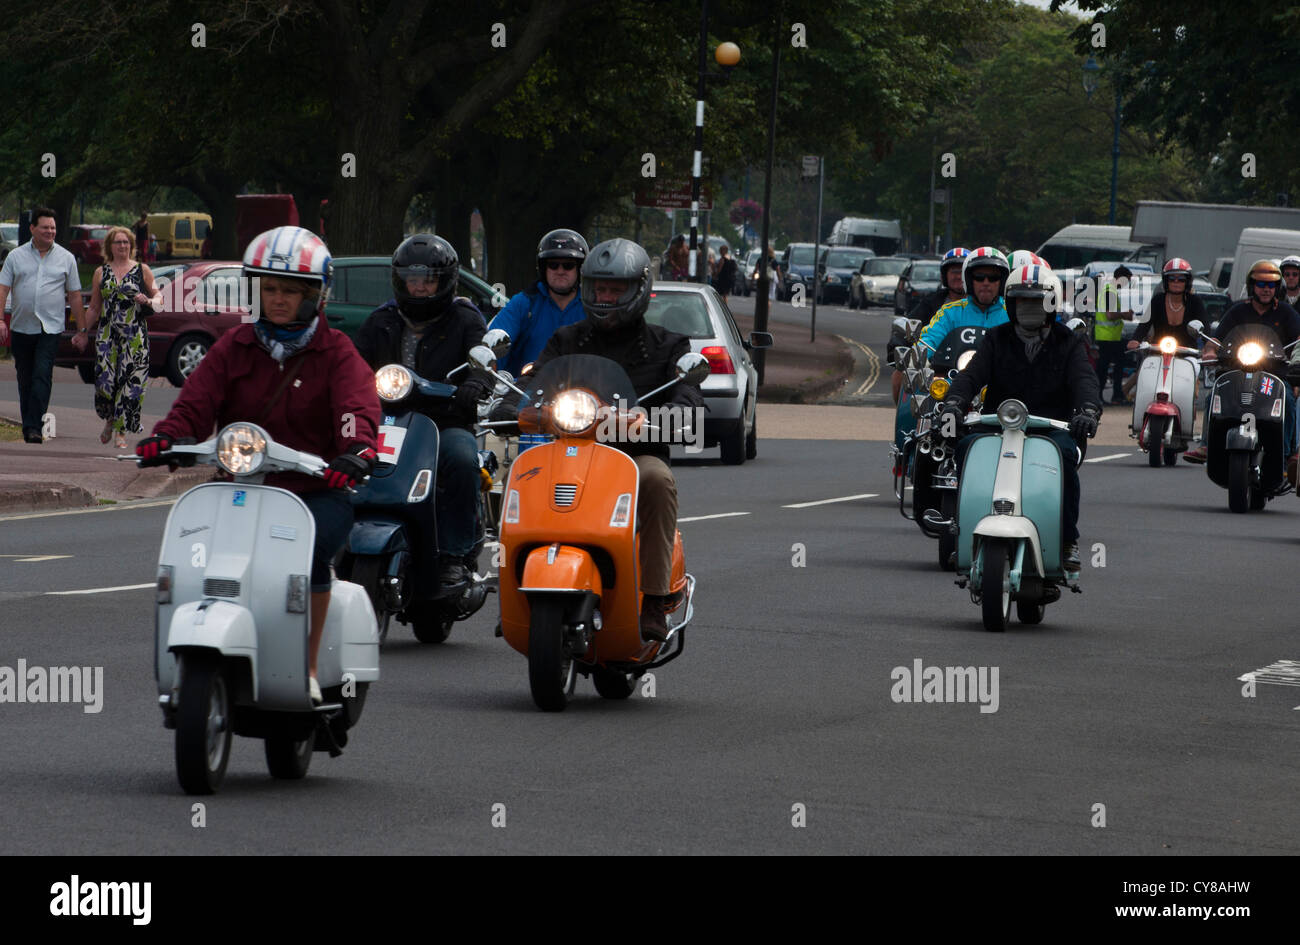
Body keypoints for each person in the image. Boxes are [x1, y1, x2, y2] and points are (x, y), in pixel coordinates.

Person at [136, 226, 380, 704]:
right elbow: (196, 401)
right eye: (269, 289)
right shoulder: (235, 345)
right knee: (195, 556)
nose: (278, 299)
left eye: (291, 290)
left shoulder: (337, 352)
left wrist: (356, 451)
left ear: (315, 295)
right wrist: (168, 436)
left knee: (309, 557)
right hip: (240, 486)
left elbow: (356, 409)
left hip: (314, 491)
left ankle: (308, 666)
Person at [494, 238, 704, 642]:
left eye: (615, 290)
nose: (605, 297)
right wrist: (509, 406)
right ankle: (515, 595)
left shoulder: (668, 345)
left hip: (633, 455)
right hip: (567, 451)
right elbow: (532, 382)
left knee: (658, 480)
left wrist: (650, 418)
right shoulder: (566, 339)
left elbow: (689, 397)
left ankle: (654, 599)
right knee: (521, 475)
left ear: (638, 291)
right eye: (599, 288)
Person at [939, 264, 1101, 572]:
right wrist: (954, 404)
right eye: (1021, 301)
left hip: (1051, 429)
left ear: (1051, 304)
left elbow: (1085, 380)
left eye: (1036, 301)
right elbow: (970, 375)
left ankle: (1068, 540)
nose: (1028, 307)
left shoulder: (1068, 342)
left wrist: (1088, 411)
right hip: (997, 425)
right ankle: (961, 530)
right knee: (965, 447)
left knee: (1066, 457)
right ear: (1011, 304)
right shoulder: (996, 338)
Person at [353, 234, 490, 594]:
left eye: (428, 280)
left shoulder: (465, 319)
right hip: (386, 421)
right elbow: (353, 366)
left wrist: (476, 383)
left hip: (444, 421)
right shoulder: (381, 320)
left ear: (446, 282)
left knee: (462, 459)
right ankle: (339, 541)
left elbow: (484, 361)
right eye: (412, 279)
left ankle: (454, 555)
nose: (419, 287)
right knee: (346, 455)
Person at [1196, 259, 1300, 463]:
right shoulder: (1238, 310)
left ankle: (1286, 452)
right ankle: (1207, 444)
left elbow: (1298, 338)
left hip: (1273, 374)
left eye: (1271, 285)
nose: (1266, 289)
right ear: (1252, 286)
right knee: (1214, 396)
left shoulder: (1286, 312)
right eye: (1261, 284)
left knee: (1287, 400)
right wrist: (1209, 352)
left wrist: (1296, 362)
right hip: (1238, 370)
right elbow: (1216, 339)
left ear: (1277, 288)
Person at [0, 207, 84, 443]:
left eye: (53, 228)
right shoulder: (15, 256)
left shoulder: (66, 258)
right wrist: (0, 320)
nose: (50, 231)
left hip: (50, 328)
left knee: (42, 374)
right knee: (25, 378)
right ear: (32, 229)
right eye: (45, 227)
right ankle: (30, 424)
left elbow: (75, 295)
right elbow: (3, 289)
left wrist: (82, 330)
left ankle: (34, 427)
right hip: (21, 327)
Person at [83, 226, 162, 449]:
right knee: (105, 383)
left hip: (135, 336)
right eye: (118, 242)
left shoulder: (142, 270)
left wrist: (148, 300)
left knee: (130, 384)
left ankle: (121, 432)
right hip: (107, 336)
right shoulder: (101, 272)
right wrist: (82, 332)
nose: (123, 246)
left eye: (126, 242)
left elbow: (159, 297)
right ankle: (110, 418)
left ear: (131, 245)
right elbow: (94, 308)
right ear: (110, 246)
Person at [488, 228, 587, 377]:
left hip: (582, 389)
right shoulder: (523, 304)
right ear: (543, 268)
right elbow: (495, 346)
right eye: (553, 265)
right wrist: (488, 370)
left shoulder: (591, 306)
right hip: (527, 388)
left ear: (579, 269)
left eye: (568, 265)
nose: (560, 271)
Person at [894, 246, 968, 403]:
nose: (958, 276)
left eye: (962, 272)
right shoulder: (933, 303)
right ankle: (907, 413)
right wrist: (901, 346)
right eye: (954, 272)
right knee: (901, 371)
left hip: (977, 364)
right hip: (938, 365)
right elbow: (911, 325)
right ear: (944, 276)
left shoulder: (996, 309)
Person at [1094, 264, 1134, 405]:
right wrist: (1125, 315)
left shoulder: (1109, 290)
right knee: (1108, 368)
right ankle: (1112, 396)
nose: (1127, 284)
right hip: (1107, 337)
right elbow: (1110, 315)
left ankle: (1113, 395)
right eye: (1127, 280)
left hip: (1109, 336)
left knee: (1108, 367)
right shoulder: (1109, 291)